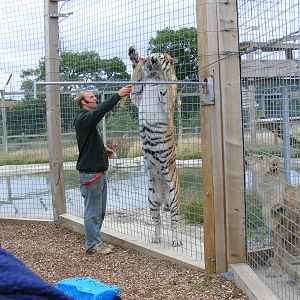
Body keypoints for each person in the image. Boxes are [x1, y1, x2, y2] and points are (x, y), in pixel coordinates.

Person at [74, 85, 132, 255]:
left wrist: (103, 150)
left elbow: (89, 142)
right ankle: (93, 244)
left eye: (94, 97)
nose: (95, 99)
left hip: (97, 172)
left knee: (99, 210)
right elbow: (99, 112)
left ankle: (96, 242)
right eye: (91, 97)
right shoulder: (84, 118)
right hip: (91, 174)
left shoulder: (86, 120)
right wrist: (117, 96)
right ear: (83, 103)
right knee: (93, 211)